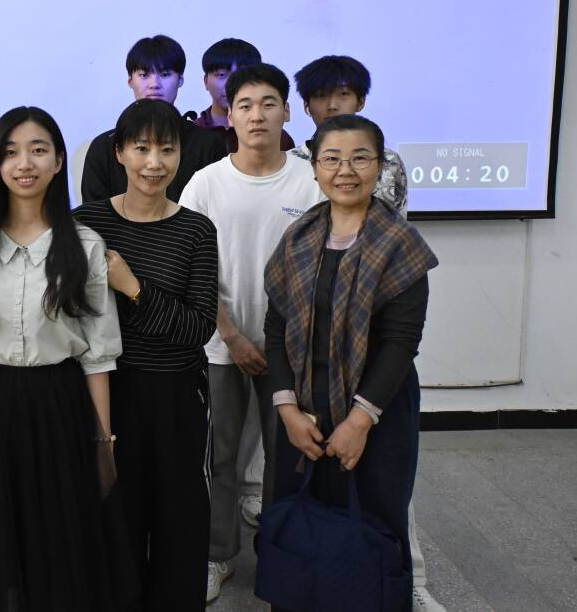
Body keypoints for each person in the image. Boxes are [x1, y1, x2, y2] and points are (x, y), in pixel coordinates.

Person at [0, 106, 134, 611]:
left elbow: (98, 355)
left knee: (58, 543)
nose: (24, 163)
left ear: (58, 161)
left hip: (59, 406)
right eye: (11, 152)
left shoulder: (85, 245)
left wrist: (104, 441)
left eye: (38, 150)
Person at [263, 114, 438, 612]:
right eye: (332, 159)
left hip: (378, 410)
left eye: (360, 158)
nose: (345, 170)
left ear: (379, 166)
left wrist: (359, 422)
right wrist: (287, 411)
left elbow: (400, 344)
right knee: (300, 523)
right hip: (303, 409)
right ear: (315, 167)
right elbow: (275, 330)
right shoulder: (298, 237)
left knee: (374, 524)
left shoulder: (400, 244)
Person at [178, 64, 323, 603]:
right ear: (229, 115)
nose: (257, 115)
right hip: (220, 345)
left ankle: (281, 556)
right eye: (245, 105)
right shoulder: (206, 183)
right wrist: (232, 335)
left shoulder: (310, 181)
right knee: (218, 457)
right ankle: (218, 554)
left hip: (292, 349)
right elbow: (191, 269)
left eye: (268, 104)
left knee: (288, 457)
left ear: (287, 112)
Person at [74, 99, 219, 612]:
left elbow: (197, 329)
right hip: (107, 392)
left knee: (180, 523)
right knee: (116, 518)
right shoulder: (86, 222)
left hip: (177, 395)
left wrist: (133, 288)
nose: (154, 163)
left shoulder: (196, 230)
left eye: (167, 150)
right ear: (119, 153)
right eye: (141, 149)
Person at [80, 35, 227, 204]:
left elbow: (217, 209)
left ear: (180, 79)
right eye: (144, 75)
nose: (154, 84)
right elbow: (93, 215)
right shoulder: (104, 147)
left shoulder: (208, 145)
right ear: (130, 81)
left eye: (165, 74)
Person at [291, 55, 407, 214]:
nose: (332, 105)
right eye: (320, 95)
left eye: (343, 94)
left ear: (361, 102)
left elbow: (397, 223)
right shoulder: (289, 162)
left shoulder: (389, 162)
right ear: (306, 106)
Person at [187, 37, 295, 153]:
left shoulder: (278, 138)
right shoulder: (190, 135)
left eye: (241, 75)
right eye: (222, 75)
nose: (231, 84)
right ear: (206, 81)